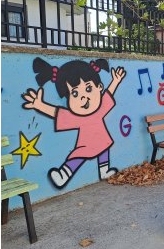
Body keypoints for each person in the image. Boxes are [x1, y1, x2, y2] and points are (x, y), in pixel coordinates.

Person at [22, 57, 126, 189]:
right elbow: (56, 112)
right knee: (79, 157)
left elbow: (109, 94)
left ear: (99, 87)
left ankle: (104, 170)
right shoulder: (76, 117)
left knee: (103, 149)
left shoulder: (100, 108)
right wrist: (40, 105)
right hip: (86, 144)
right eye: (75, 93)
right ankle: (63, 174)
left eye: (88, 89)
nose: (83, 97)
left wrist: (115, 81)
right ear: (68, 98)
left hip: (102, 139)